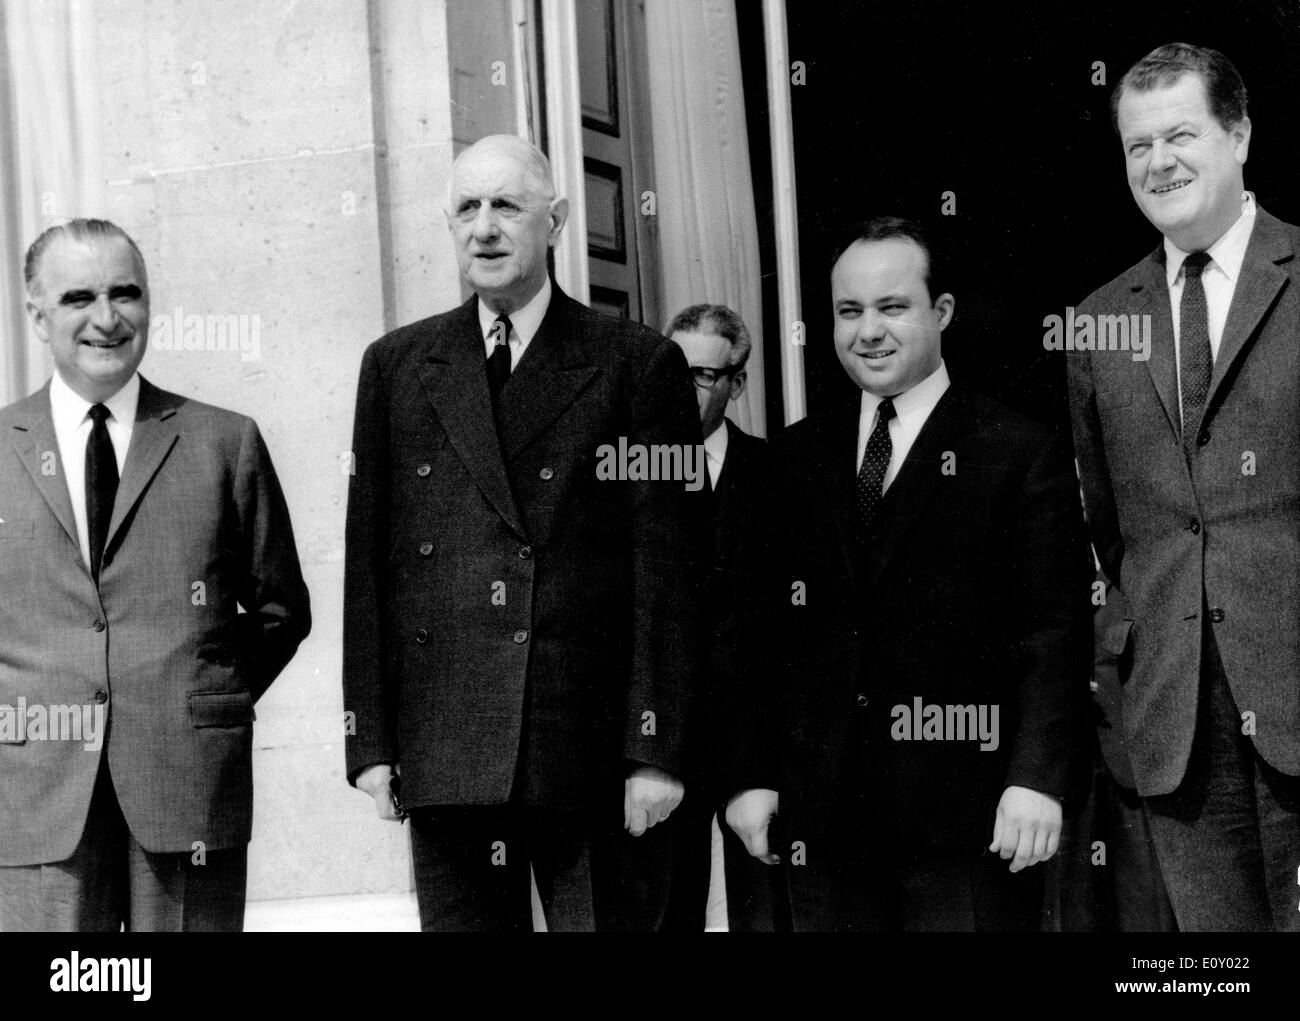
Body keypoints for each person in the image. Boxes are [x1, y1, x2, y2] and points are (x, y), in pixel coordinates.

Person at [342, 134, 709, 931]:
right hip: (447, 745)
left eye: (506, 205)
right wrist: (369, 740)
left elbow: (671, 576)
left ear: (558, 219)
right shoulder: (397, 366)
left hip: (589, 748)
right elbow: (369, 569)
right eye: (466, 208)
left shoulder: (637, 363)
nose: (485, 227)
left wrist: (656, 749)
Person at [726, 216, 1092, 931]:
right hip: (822, 826)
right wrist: (748, 773)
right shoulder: (792, 459)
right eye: (848, 311)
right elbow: (752, 632)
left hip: (972, 826)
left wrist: (1036, 780)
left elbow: (1055, 631)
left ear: (942, 311)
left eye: (891, 307)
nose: (868, 331)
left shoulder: (1017, 451)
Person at [0, 218, 311, 931]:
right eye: (79, 296)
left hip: (185, 790)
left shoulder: (222, 441)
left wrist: (199, 696)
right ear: (36, 313)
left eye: (126, 293)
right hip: (32, 799)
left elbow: (281, 609)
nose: (106, 319)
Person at [1067, 42, 1300, 931]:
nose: (1158, 162)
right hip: (1176, 728)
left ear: (1239, 133)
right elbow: (1112, 525)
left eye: (1181, 134)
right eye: (1137, 145)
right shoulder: (1096, 325)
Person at [661, 303, 788, 931]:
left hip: (756, 745)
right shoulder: (628, 474)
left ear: (737, 383)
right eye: (671, 369)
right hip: (661, 746)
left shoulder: (780, 475)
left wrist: (764, 762)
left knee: (765, 916)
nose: (683, 388)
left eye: (703, 375)